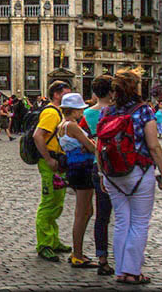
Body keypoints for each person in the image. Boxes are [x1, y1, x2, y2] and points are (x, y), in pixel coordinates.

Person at [99, 68, 162, 285]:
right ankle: (132, 271)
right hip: (138, 171)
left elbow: (99, 144)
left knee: (121, 221)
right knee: (139, 222)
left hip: (112, 173)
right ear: (136, 88)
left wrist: (102, 173)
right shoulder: (144, 111)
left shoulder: (106, 112)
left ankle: (121, 270)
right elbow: (153, 146)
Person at [32, 80, 72, 262]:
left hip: (60, 161)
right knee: (48, 203)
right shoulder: (50, 112)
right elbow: (37, 135)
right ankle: (44, 244)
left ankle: (54, 240)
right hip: (51, 162)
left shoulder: (60, 112)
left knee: (57, 202)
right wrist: (48, 158)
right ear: (56, 94)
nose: (69, 96)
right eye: (66, 93)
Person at [57, 92, 97, 269]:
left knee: (87, 210)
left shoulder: (62, 125)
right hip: (83, 168)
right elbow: (90, 146)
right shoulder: (72, 126)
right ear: (74, 110)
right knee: (82, 213)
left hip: (76, 168)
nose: (82, 112)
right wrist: (92, 143)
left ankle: (77, 252)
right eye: (80, 110)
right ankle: (77, 254)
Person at [82, 74, 115, 276]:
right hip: (119, 168)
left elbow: (79, 141)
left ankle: (102, 258)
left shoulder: (86, 115)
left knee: (102, 216)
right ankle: (125, 258)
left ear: (94, 93)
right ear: (113, 91)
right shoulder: (119, 112)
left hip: (97, 166)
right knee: (122, 216)